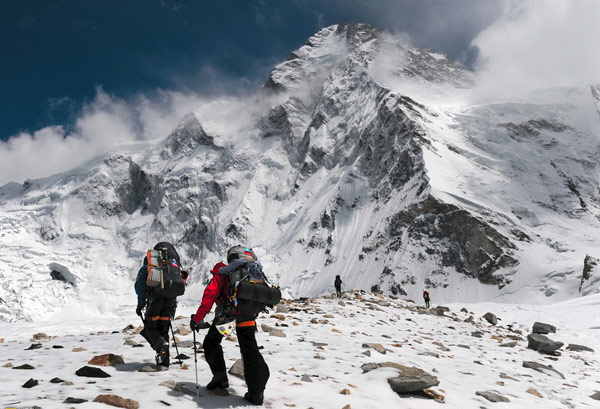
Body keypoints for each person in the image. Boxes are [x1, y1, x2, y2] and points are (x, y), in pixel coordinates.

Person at [190, 246, 270, 405]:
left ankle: (220, 379)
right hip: (247, 316)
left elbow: (210, 295)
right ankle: (256, 391)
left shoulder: (223, 272)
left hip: (228, 317)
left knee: (211, 343)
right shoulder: (252, 271)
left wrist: (197, 319)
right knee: (249, 349)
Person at [134, 241, 187, 368]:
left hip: (156, 302)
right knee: (164, 329)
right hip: (171, 303)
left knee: (150, 327)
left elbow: (139, 287)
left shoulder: (148, 268)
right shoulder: (173, 267)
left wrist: (140, 305)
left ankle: (161, 346)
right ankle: (164, 362)